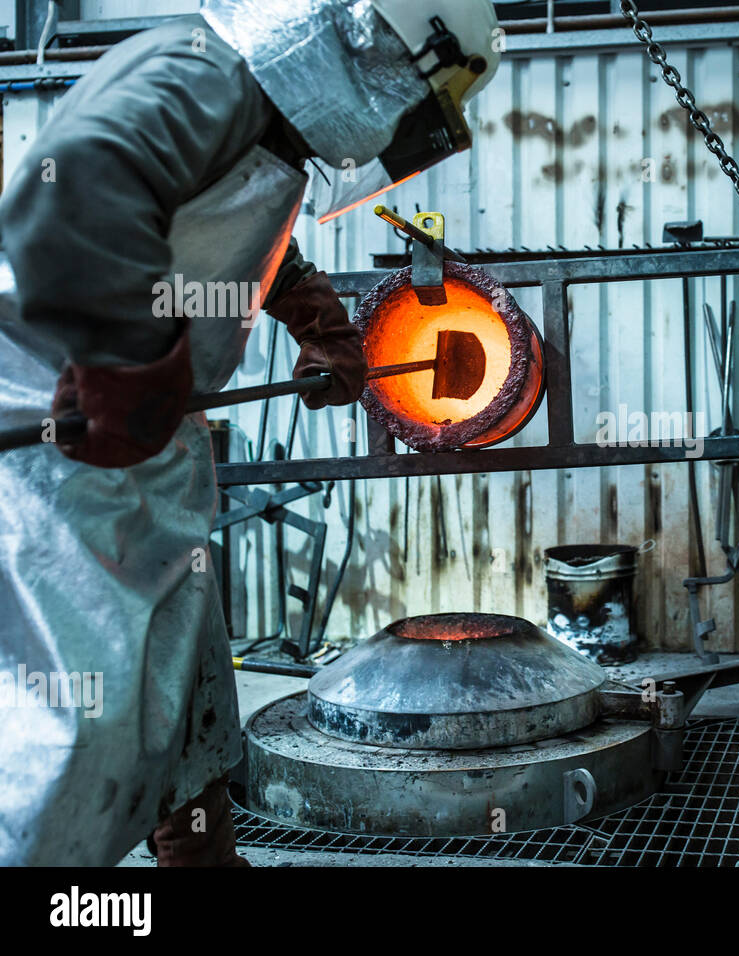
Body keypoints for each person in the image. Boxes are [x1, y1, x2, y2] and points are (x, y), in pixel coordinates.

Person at [0, 0, 499, 866]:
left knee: (186, 710)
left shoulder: (261, 111)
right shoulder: (205, 73)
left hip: (148, 449)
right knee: (72, 739)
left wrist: (313, 315)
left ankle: (202, 859)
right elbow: (78, 185)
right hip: (63, 445)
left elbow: (215, 222)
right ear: (375, 44)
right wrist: (128, 364)